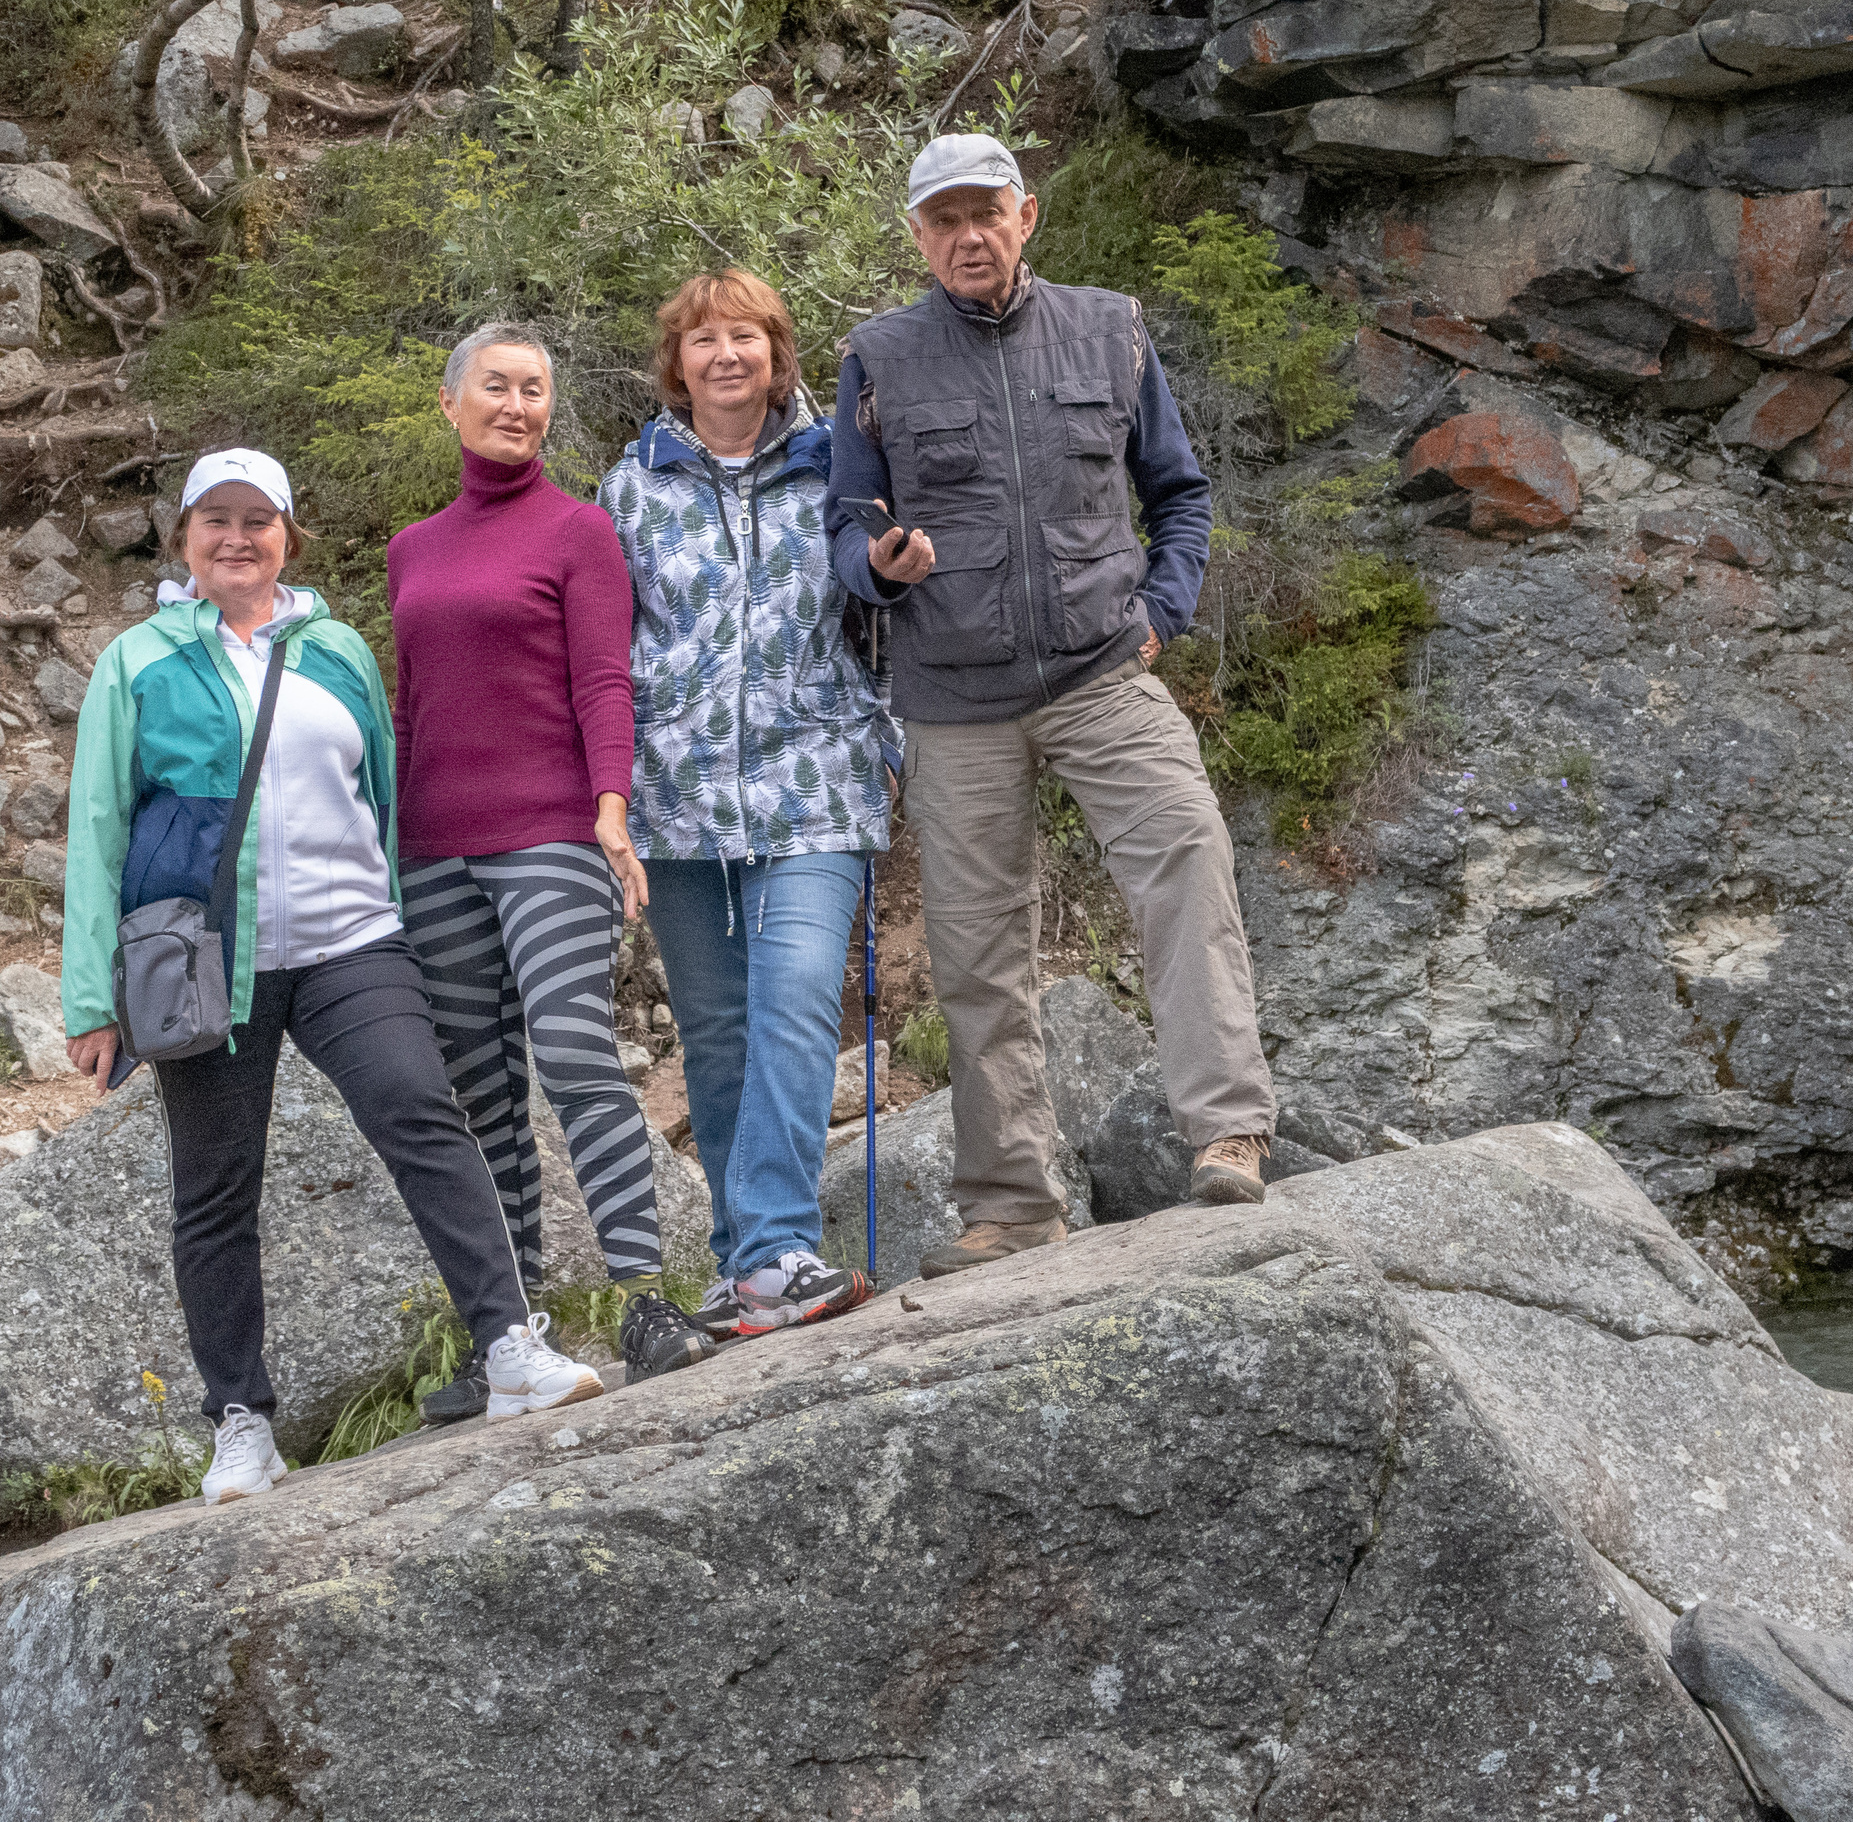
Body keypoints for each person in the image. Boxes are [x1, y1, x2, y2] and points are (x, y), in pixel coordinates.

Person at [61, 447, 606, 1505]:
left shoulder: (339, 649)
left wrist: (404, 914)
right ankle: (241, 1422)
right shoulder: (137, 661)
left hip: (352, 942)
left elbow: (385, 797)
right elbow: (97, 826)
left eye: (257, 519)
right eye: (214, 519)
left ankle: (506, 1345)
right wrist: (94, 998)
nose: (236, 537)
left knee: (421, 1110)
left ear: (288, 537)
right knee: (214, 1188)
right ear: (184, 538)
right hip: (211, 968)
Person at [825, 133, 1279, 1280]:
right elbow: (843, 520)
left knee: (1187, 857)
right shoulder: (876, 356)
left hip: (1101, 673)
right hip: (951, 698)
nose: (967, 236)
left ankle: (1227, 1130)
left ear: (1027, 215)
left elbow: (1176, 488)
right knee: (977, 953)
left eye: (986, 213)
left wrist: (1162, 607)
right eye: (944, 220)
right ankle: (1015, 1204)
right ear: (918, 236)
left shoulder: (1110, 326)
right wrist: (878, 564)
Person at [389, 325, 720, 1415]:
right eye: (497, 386)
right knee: (479, 1092)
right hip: (434, 848)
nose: (518, 405)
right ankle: (509, 1336)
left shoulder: (579, 533)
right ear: (451, 403)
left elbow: (602, 686)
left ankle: (642, 1299)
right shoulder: (412, 548)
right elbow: (409, 711)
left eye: (535, 389)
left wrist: (611, 811)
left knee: (575, 1053)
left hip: (551, 836)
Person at [599, 269, 883, 1338]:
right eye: (702, 339)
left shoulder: (838, 467)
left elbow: (886, 604)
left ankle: (772, 1247)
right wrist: (609, 787)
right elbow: (604, 648)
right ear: (675, 364)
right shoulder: (627, 487)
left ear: (778, 353)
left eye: (746, 336)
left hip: (815, 781)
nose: (725, 355)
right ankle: (743, 1266)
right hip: (676, 803)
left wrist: (888, 735)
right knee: (716, 1035)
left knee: (798, 997)